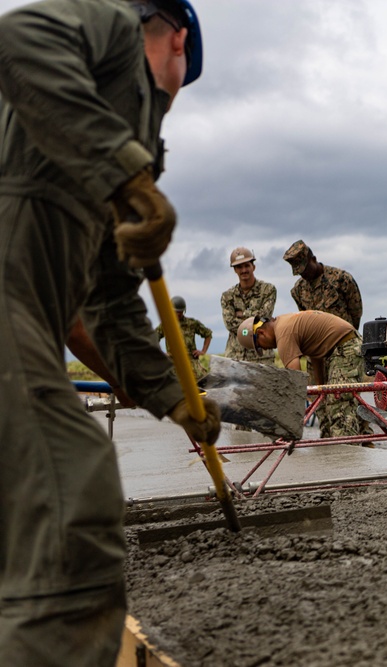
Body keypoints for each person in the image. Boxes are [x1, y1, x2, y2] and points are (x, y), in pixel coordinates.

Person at [0, 1, 222, 664]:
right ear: (177, 45)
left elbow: (110, 301)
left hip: (27, 316)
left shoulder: (100, 141)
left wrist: (174, 397)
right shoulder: (116, 26)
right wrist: (122, 166)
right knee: (73, 489)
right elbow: (19, 37)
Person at [237, 311, 368, 440]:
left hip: (346, 347)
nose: (264, 349)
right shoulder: (283, 323)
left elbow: (296, 381)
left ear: (261, 333)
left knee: (339, 404)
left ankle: (346, 454)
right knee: (328, 401)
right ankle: (336, 443)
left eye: (260, 346)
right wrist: (321, 390)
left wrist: (286, 424)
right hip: (339, 347)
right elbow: (316, 354)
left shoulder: (283, 334)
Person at [283, 239, 363, 329]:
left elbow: (356, 312)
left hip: (344, 338)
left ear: (313, 260)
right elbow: (305, 320)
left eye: (306, 270)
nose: (304, 275)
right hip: (318, 341)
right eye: (300, 273)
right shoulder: (298, 290)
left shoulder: (341, 279)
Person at [221, 246, 277, 362]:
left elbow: (263, 318)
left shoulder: (268, 290)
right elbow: (230, 323)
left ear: (253, 267)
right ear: (235, 270)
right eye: (239, 267)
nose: (244, 270)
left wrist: (243, 314)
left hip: (261, 357)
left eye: (247, 265)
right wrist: (252, 323)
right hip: (235, 357)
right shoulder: (228, 296)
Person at [155, 296, 213, 380]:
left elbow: (208, 334)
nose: (178, 314)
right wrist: (161, 354)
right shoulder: (166, 324)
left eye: (180, 312)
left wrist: (203, 351)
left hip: (191, 362)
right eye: (176, 312)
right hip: (173, 362)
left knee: (203, 382)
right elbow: (153, 338)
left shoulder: (191, 323)